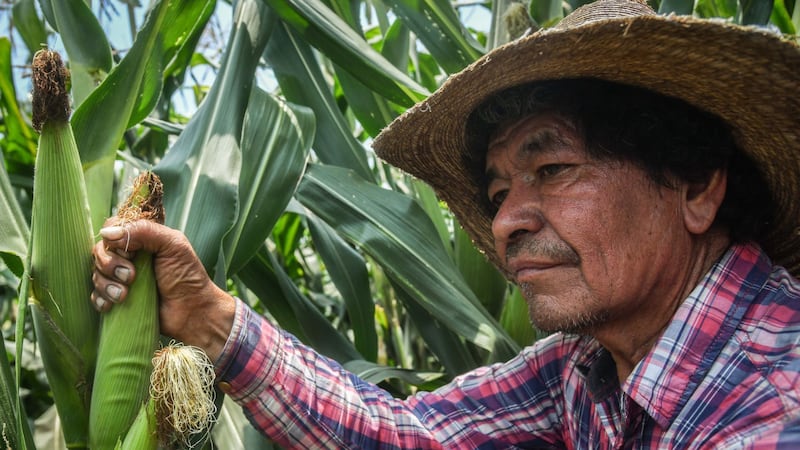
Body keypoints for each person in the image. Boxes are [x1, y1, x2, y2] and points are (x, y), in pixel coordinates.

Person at [91, 0, 800, 447]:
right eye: (497, 193)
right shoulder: (585, 367)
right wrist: (210, 317)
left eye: (552, 171)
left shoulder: (772, 403)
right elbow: (409, 434)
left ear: (698, 188)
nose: (506, 223)